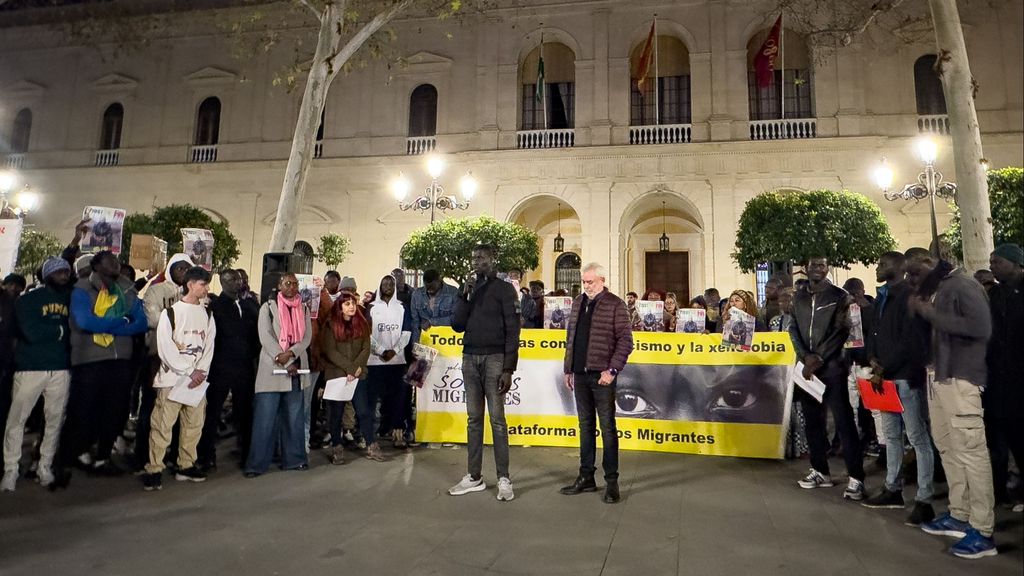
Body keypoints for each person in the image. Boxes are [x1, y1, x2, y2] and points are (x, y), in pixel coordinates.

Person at [906, 247, 997, 559]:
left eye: (916, 272)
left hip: (961, 377)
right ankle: (959, 514)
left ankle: (983, 530)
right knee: (947, 445)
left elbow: (981, 328)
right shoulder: (940, 288)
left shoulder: (962, 285)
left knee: (971, 451)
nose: (911, 279)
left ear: (932, 263)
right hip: (940, 376)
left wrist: (931, 314)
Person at [860, 251, 935, 526]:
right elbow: (875, 333)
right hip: (884, 377)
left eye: (882, 263)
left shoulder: (908, 296)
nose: (877, 266)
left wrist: (884, 366)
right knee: (891, 435)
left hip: (903, 377)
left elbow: (910, 340)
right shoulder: (883, 297)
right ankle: (893, 489)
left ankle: (925, 499)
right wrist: (872, 358)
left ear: (899, 267)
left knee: (917, 437)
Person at [63, 251, 148, 476]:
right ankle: (79, 452)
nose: (116, 264)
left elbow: (140, 323)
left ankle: (103, 457)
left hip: (120, 358)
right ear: (96, 265)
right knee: (85, 408)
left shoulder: (127, 288)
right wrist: (121, 321)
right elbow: (84, 321)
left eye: (117, 261)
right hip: (89, 359)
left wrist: (110, 325)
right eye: (110, 261)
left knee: (114, 409)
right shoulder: (82, 288)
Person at [789, 256, 866, 500]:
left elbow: (841, 330)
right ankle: (820, 470)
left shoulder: (840, 296)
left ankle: (856, 477)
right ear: (807, 268)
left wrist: (818, 358)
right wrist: (804, 356)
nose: (818, 269)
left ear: (828, 268)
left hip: (832, 368)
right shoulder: (798, 296)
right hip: (807, 370)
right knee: (812, 422)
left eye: (822, 265)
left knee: (844, 422)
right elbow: (793, 328)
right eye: (814, 265)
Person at [448, 244, 520, 501]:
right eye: (474, 257)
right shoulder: (468, 289)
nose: (476, 261)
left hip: (495, 359)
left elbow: (513, 330)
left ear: (493, 259)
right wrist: (463, 296)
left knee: (498, 421)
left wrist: (508, 368)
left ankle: (503, 478)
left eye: (481, 257)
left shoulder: (504, 289)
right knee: (473, 419)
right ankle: (474, 476)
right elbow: (457, 325)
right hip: (470, 357)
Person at [558, 262, 633, 504]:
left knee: (608, 428)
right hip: (580, 374)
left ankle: (612, 482)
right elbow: (571, 337)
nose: (586, 285)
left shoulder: (615, 304)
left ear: (602, 280)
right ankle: (586, 476)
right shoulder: (578, 302)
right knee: (585, 426)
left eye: (590, 281)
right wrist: (568, 368)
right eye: (584, 281)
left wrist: (612, 369)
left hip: (602, 376)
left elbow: (625, 341)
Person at [142, 267, 216, 491]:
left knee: (193, 425)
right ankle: (155, 468)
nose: (206, 289)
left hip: (196, 382)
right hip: (172, 380)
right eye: (202, 284)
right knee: (163, 426)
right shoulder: (171, 313)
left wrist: (200, 371)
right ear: (190, 284)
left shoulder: (207, 314)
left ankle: (186, 464)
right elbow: (166, 348)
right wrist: (188, 370)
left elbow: (209, 346)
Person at [2, 258, 72, 492]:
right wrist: (61, 330)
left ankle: (45, 465)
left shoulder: (68, 298)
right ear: (47, 274)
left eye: (66, 271)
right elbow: (31, 332)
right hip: (30, 367)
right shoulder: (28, 300)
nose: (64, 275)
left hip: (60, 367)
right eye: (59, 271)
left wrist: (54, 332)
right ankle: (10, 468)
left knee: (54, 421)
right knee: (17, 420)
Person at [244, 273, 313, 477]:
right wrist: (284, 358)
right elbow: (265, 336)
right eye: (287, 283)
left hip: (295, 369)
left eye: (294, 283)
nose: (291, 287)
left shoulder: (304, 308)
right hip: (272, 368)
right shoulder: (268, 307)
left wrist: (291, 355)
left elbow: (306, 337)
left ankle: (295, 459)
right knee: (264, 419)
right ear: (279, 285)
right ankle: (257, 464)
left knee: (294, 418)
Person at [134, 254, 193, 471]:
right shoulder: (157, 290)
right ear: (171, 270)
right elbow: (152, 318)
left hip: (185, 360)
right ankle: (142, 456)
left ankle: (174, 456)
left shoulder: (191, 293)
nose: (184, 272)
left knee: (180, 408)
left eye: (188, 269)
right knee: (152, 406)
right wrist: (183, 321)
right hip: (157, 356)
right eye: (180, 268)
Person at [197, 269, 260, 471]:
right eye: (232, 279)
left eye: (239, 279)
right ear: (223, 282)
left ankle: (247, 455)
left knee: (245, 413)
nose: (237, 282)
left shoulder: (249, 304)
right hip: (220, 367)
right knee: (213, 413)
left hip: (244, 367)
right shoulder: (215, 307)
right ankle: (206, 455)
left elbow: (256, 334)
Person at [984, 244, 1023, 510]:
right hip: (1000, 379)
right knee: (1006, 437)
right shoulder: (996, 294)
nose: (993, 266)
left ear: (1015, 263)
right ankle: (1004, 491)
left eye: (997, 262)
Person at [319, 291, 371, 465]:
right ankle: (337, 447)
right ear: (340, 306)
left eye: (353, 304)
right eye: (347, 304)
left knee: (363, 411)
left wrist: (356, 368)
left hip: (358, 375)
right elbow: (330, 350)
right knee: (336, 414)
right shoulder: (330, 325)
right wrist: (349, 368)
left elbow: (366, 348)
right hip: (337, 375)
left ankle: (371, 444)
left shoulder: (361, 324)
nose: (351, 307)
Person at [366, 274, 411, 455]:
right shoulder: (371, 308)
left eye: (391, 283)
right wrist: (381, 351)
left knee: (398, 398)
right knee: (372, 400)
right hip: (375, 361)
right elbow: (366, 333)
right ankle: (369, 435)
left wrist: (394, 351)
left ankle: (398, 432)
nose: (387, 286)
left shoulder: (402, 308)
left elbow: (406, 332)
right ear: (379, 285)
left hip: (397, 361)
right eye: (384, 283)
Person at [410, 269, 458, 346]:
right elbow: (415, 322)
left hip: (448, 343)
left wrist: (431, 322)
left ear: (439, 281)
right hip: (425, 343)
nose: (429, 290)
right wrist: (415, 344)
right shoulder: (417, 294)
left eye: (432, 287)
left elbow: (455, 318)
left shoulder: (453, 293)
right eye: (427, 287)